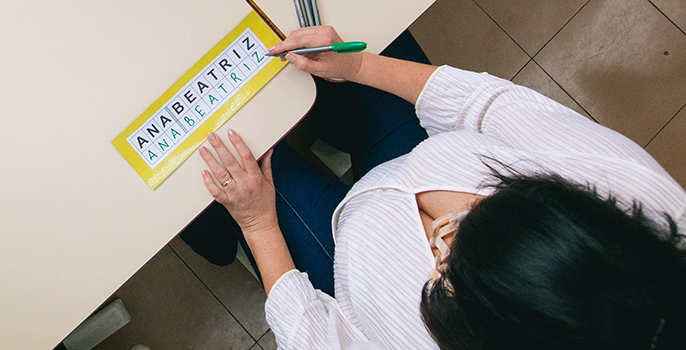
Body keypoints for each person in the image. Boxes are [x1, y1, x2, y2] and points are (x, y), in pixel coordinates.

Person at [188, 25, 686, 350]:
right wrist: (358, 68)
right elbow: (489, 105)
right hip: (418, 153)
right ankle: (334, 118)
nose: (440, 233)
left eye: (443, 273)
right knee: (324, 28)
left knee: (207, 150)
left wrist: (257, 224)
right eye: (487, 201)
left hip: (349, 266)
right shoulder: (631, 195)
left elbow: (314, 337)